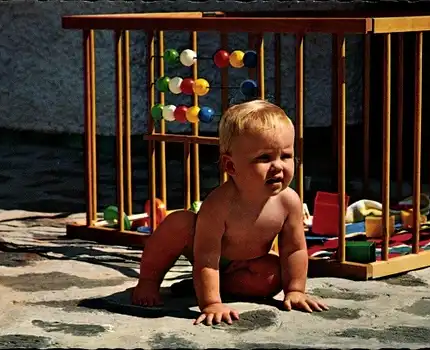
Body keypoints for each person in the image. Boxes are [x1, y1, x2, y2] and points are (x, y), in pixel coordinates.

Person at [131, 99, 328, 325]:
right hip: (204, 252)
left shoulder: (289, 202)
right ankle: (148, 280)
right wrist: (211, 303)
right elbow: (206, 257)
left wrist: (295, 290)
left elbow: (294, 248)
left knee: (272, 276)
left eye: (285, 156)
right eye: (264, 158)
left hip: (245, 264)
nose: (278, 166)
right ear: (231, 166)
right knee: (179, 223)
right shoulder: (219, 204)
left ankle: (208, 285)